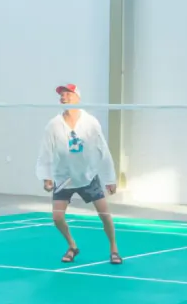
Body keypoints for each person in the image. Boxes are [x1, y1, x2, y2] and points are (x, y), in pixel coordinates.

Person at [36, 84, 122, 265]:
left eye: (68, 93)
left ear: (77, 97)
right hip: (63, 177)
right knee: (57, 218)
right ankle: (72, 246)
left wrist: (110, 178)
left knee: (104, 215)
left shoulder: (90, 122)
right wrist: (46, 177)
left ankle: (114, 249)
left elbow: (103, 150)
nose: (64, 97)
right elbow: (46, 151)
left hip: (87, 176)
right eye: (62, 95)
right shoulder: (53, 125)